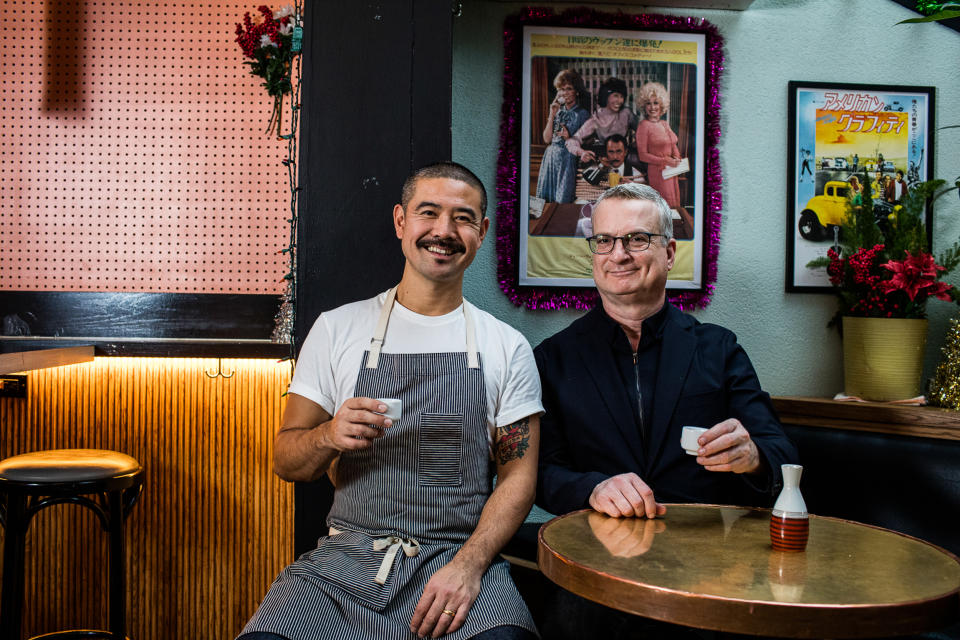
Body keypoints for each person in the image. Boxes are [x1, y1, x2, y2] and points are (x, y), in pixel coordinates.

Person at [239, 163, 543, 640]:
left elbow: (518, 477)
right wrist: (328, 434)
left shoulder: (505, 346)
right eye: (429, 212)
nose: (444, 231)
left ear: (482, 233)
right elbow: (287, 461)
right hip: (343, 565)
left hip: (457, 561)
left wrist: (469, 565)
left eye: (463, 218)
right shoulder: (338, 328)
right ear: (401, 221)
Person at [535, 182, 798, 518]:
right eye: (604, 240)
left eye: (637, 239)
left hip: (704, 551)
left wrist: (753, 456)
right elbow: (538, 471)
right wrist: (592, 488)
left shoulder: (719, 349)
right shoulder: (552, 358)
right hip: (594, 547)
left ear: (670, 253)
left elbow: (782, 453)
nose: (619, 254)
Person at [634, 82, 694, 240]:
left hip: (671, 172)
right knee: (663, 206)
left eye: (655, 103)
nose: (652, 107)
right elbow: (643, 155)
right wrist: (664, 160)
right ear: (643, 106)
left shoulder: (664, 124)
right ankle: (661, 238)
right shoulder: (643, 126)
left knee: (674, 205)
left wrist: (677, 156)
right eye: (648, 103)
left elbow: (672, 143)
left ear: (661, 104)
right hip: (658, 173)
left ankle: (672, 237)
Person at [535, 69, 590, 203]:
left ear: (576, 91)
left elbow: (586, 142)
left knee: (563, 201)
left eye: (569, 89)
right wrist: (552, 114)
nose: (565, 93)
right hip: (550, 157)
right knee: (546, 202)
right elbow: (547, 139)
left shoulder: (583, 114)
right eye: (562, 89)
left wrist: (568, 137)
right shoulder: (557, 111)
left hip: (568, 159)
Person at [565, 77, 638, 164]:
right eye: (616, 96)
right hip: (605, 157)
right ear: (606, 96)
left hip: (624, 156)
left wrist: (634, 145)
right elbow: (572, 141)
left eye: (622, 97)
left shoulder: (626, 113)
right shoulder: (596, 118)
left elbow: (643, 131)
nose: (619, 101)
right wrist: (582, 153)